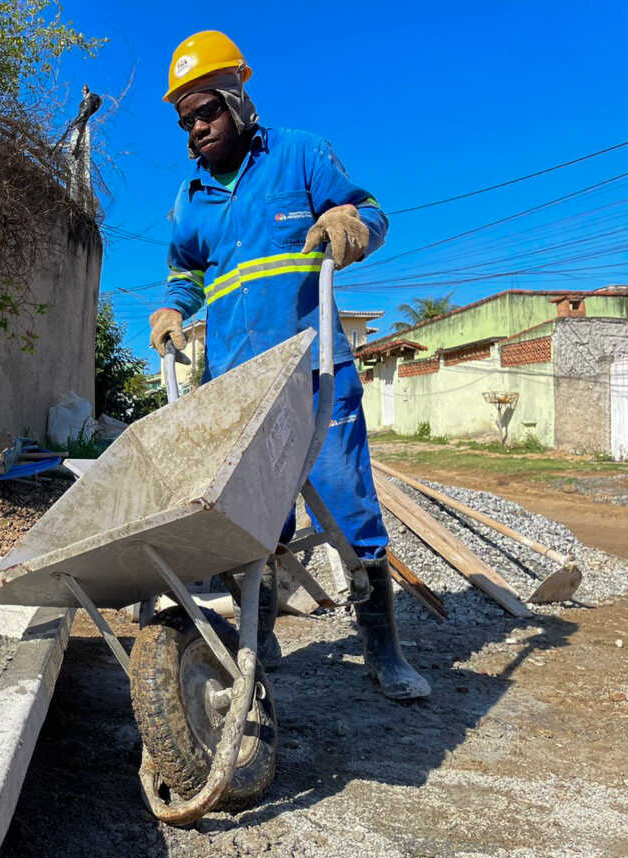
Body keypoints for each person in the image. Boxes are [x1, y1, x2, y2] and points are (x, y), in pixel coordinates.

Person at [148, 30, 430, 700]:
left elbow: (370, 211)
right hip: (238, 390)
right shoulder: (191, 198)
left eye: (206, 109)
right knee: (252, 519)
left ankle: (384, 651)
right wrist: (169, 310)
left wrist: (350, 224)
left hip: (314, 378)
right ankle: (260, 631)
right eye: (184, 118)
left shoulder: (300, 154)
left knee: (348, 505)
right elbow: (183, 273)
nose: (196, 126)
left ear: (238, 98)